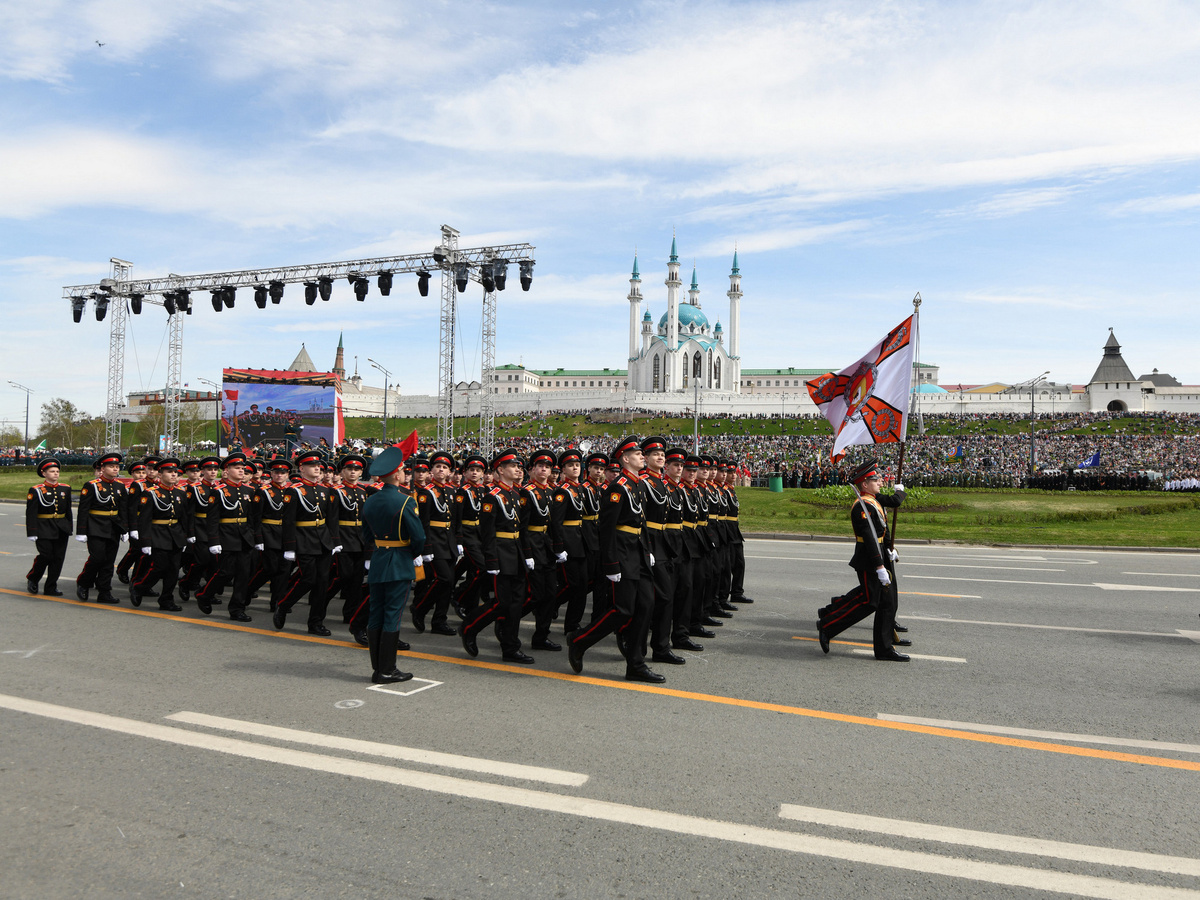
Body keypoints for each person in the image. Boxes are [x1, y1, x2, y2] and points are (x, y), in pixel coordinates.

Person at [566, 436, 664, 683]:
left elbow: (641, 523)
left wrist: (648, 551)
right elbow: (606, 528)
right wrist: (610, 563)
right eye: (638, 454)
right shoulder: (618, 487)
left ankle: (635, 664)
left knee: (646, 605)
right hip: (622, 554)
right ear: (625, 459)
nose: (642, 456)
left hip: (639, 554)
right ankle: (579, 641)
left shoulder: (638, 485)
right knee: (623, 610)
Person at [816, 459, 908, 661]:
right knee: (869, 601)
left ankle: (884, 649)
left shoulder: (873, 500)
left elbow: (883, 527)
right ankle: (828, 625)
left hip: (880, 554)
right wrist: (880, 566)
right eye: (876, 479)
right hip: (869, 559)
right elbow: (869, 538)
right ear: (865, 484)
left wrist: (890, 548)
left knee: (886, 603)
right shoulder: (862, 506)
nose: (880, 482)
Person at [459, 449, 535, 664]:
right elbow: (487, 532)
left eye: (518, 466)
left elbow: (521, 528)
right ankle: (470, 626)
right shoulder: (492, 496)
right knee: (503, 602)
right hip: (500, 554)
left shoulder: (516, 494)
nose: (518, 469)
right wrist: (491, 560)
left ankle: (510, 647)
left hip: (516, 553)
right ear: (500, 470)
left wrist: (527, 554)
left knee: (516, 604)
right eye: (513, 466)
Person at [362, 446, 425, 684]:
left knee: (376, 613)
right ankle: (387, 670)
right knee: (393, 615)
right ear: (397, 475)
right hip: (399, 561)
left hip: (379, 559)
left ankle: (377, 668)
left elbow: (367, 535)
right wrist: (411, 553)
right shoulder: (405, 501)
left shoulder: (370, 500)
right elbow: (418, 537)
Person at [273, 449, 341, 635]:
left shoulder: (326, 490)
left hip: (323, 541)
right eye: (312, 465)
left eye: (318, 465)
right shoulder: (294, 491)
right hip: (303, 540)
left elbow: (331, 519)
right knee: (308, 579)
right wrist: (289, 547)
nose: (317, 468)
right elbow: (288, 521)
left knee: (322, 583)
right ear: (302, 469)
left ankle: (316, 622)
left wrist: (335, 541)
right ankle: (284, 604)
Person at [639, 436, 685, 666]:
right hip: (650, 543)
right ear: (645, 458)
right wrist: (646, 548)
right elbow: (639, 519)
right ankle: (646, 645)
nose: (659, 457)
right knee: (655, 599)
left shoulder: (663, 483)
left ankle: (660, 647)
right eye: (655, 454)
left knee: (665, 598)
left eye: (661, 454)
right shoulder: (643, 482)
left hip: (663, 544)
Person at [130, 457, 190, 611]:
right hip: (158, 534)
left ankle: (166, 600)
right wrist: (145, 541)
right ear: (160, 474)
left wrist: (185, 536)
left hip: (175, 535)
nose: (173, 474)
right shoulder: (150, 493)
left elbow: (184, 517)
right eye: (169, 472)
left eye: (175, 472)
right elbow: (144, 519)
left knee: (173, 570)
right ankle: (139, 587)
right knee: (159, 567)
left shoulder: (180, 493)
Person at [410, 451, 458, 636]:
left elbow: (454, 520)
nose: (441, 470)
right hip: (435, 541)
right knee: (443, 578)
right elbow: (423, 522)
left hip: (448, 541)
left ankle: (439, 620)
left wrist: (458, 541)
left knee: (449, 583)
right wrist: (426, 547)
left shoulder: (452, 491)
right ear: (432, 471)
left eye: (445, 467)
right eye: (438, 466)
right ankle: (420, 608)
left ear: (449, 472)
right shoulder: (426, 492)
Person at [75, 452, 130, 604]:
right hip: (96, 526)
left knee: (109, 561)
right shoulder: (91, 485)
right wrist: (81, 531)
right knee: (97, 558)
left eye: (117, 466)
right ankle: (84, 583)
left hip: (114, 527)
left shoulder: (120, 486)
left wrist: (124, 529)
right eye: (111, 466)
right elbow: (83, 510)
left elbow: (123, 509)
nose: (115, 469)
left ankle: (104, 591)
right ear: (103, 468)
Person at [330, 454, 375, 643]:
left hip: (360, 539)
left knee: (356, 580)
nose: (353, 472)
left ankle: (350, 613)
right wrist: (335, 540)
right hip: (343, 538)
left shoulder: (365, 491)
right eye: (349, 469)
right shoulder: (336, 491)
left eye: (356, 469)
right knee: (344, 577)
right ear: (342, 472)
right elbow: (332, 518)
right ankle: (322, 602)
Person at [521, 448, 561, 651]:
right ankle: (506, 620)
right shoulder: (526, 492)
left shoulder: (552, 492)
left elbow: (554, 524)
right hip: (533, 544)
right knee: (535, 595)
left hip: (547, 546)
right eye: (540, 466)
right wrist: (527, 553)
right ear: (533, 469)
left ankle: (541, 636)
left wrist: (558, 547)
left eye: (547, 467)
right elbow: (522, 527)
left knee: (550, 594)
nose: (544, 469)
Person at [552, 448, 590, 639]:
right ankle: (554, 610)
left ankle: (573, 624)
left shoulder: (580, 489)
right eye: (570, 466)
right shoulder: (563, 491)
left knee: (582, 586)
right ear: (563, 470)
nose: (575, 468)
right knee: (573, 585)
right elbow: (556, 522)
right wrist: (559, 547)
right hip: (568, 544)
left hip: (580, 542)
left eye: (577, 465)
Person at [25, 457, 72, 596]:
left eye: (57, 471)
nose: (55, 473)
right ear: (44, 473)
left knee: (58, 558)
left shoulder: (65, 488)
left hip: (61, 527)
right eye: (52, 471)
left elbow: (68, 510)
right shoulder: (36, 490)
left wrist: (69, 527)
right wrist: (32, 532)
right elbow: (31, 513)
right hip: (44, 527)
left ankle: (51, 586)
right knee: (46, 555)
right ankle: (33, 578)